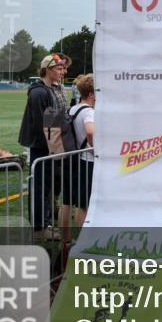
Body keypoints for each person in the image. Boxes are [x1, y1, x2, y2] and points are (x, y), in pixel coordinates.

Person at [19, 53, 69, 239]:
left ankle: (46, 223)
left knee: (49, 187)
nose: (63, 72)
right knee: (41, 187)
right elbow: (43, 125)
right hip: (43, 146)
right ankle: (40, 228)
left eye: (63, 69)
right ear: (47, 69)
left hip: (52, 145)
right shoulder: (39, 92)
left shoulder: (53, 89)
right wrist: (55, 148)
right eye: (59, 68)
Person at [59, 74, 95, 237]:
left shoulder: (71, 108)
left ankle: (65, 240)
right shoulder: (89, 112)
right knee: (83, 204)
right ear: (92, 94)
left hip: (69, 158)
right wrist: (94, 146)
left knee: (66, 202)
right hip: (84, 160)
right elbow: (90, 130)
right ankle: (82, 240)